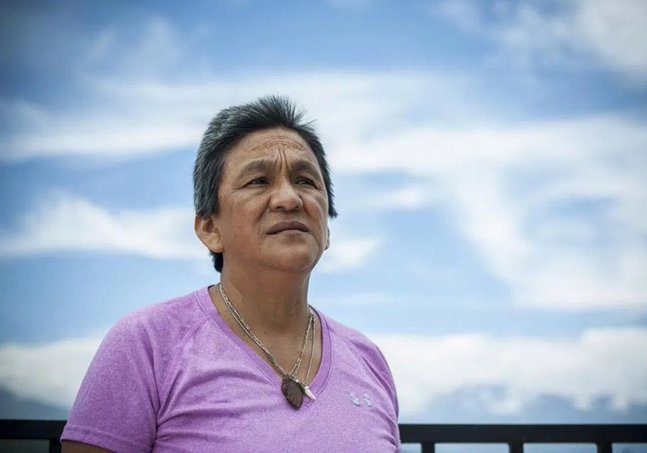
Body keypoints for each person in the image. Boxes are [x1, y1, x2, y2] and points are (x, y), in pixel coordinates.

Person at [61, 96, 400, 452]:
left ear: (326, 229)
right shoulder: (147, 344)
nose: (289, 199)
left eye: (305, 181)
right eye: (258, 181)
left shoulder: (367, 360)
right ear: (210, 228)